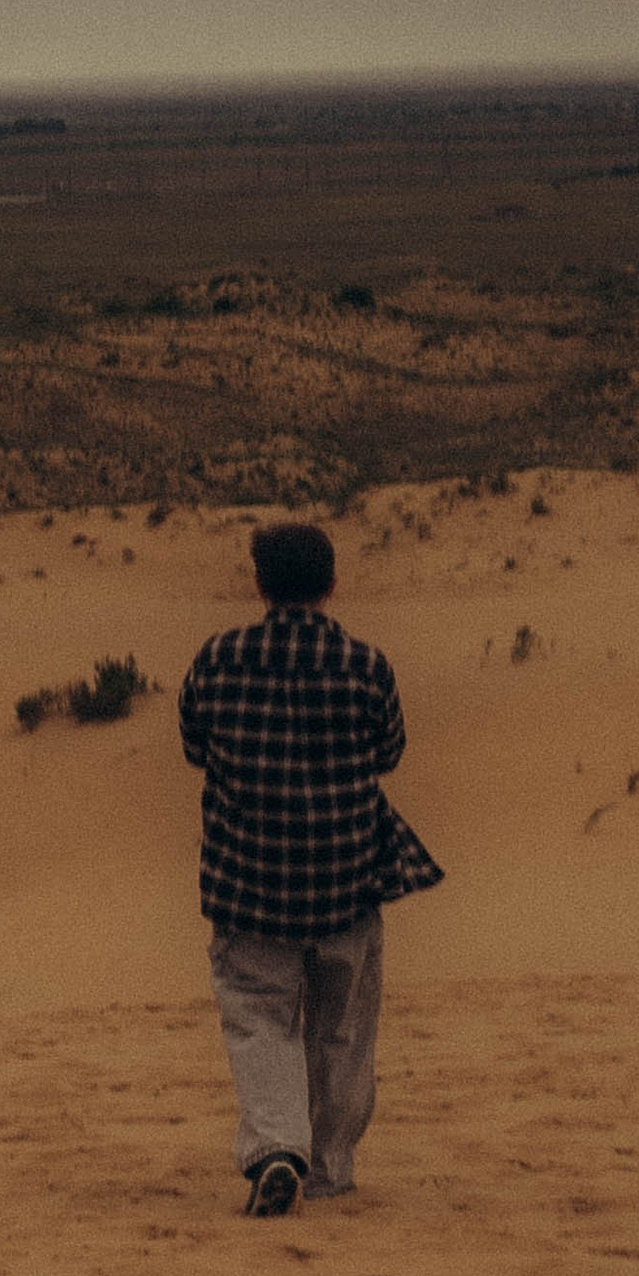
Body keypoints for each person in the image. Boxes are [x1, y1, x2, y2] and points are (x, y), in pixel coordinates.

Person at [177, 518, 443, 1216]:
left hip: (248, 880)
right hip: (346, 879)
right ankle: (327, 1166)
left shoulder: (217, 659)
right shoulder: (365, 665)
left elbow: (193, 745)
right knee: (343, 1030)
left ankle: (276, 1148)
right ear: (331, 583)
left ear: (259, 583)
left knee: (259, 1018)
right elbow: (389, 752)